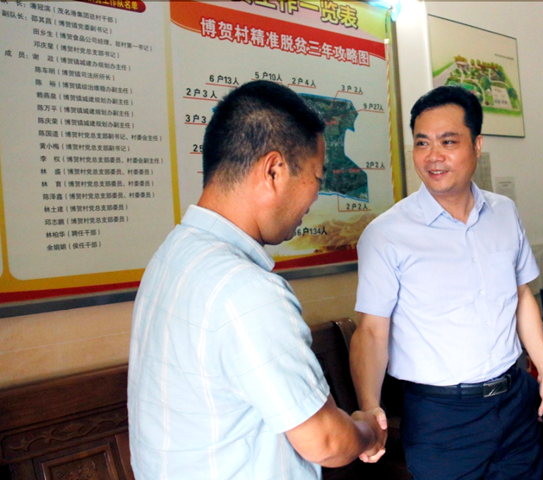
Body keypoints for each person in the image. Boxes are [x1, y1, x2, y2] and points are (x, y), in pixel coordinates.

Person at [128, 80, 386, 480]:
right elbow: (325, 441)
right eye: (317, 178)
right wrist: (368, 433)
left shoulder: (172, 255)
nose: (314, 197)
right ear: (274, 170)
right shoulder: (246, 291)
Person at [350, 85, 543, 480]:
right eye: (422, 143)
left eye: (448, 142)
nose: (433, 156)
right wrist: (370, 405)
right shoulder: (387, 234)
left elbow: (521, 295)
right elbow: (372, 331)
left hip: (515, 402)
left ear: (476, 145)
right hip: (442, 418)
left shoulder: (504, 212)